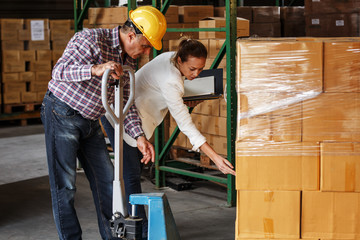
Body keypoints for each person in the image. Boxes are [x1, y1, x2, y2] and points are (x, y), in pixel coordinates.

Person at [40, 6, 166, 240]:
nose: (147, 52)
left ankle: (112, 237)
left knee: (107, 182)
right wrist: (95, 69)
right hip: (61, 114)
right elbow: (59, 72)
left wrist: (139, 137)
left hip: (90, 121)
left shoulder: (128, 60)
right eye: (146, 45)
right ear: (131, 36)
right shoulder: (90, 40)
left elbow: (124, 103)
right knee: (65, 187)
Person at [101, 38, 236, 209]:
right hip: (122, 119)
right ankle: (138, 228)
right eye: (192, 69)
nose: (195, 74)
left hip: (129, 115)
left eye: (200, 69)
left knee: (132, 173)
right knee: (130, 175)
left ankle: (134, 222)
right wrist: (215, 158)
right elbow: (185, 124)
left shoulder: (171, 57)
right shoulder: (172, 80)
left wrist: (183, 99)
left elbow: (163, 89)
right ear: (181, 60)